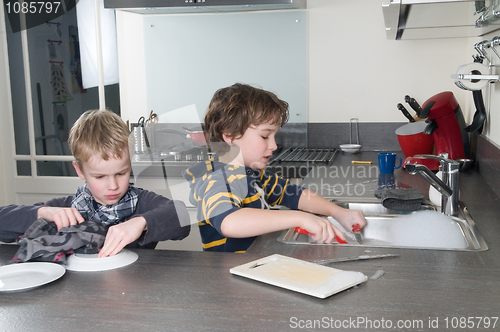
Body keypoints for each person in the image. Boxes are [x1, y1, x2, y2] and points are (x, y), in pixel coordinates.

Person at [183, 83, 366, 252]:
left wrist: (338, 212)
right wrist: (301, 218)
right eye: (265, 136)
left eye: (274, 136)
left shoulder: (252, 174)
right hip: (229, 280)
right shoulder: (216, 179)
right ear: (229, 136)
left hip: (252, 267)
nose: (274, 145)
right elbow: (229, 222)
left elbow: (293, 193)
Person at [0, 109, 190, 257]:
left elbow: (182, 217)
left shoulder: (142, 202)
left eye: (121, 173)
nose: (113, 185)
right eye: (100, 177)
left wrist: (141, 222)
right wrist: (43, 212)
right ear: (79, 170)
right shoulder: (66, 209)